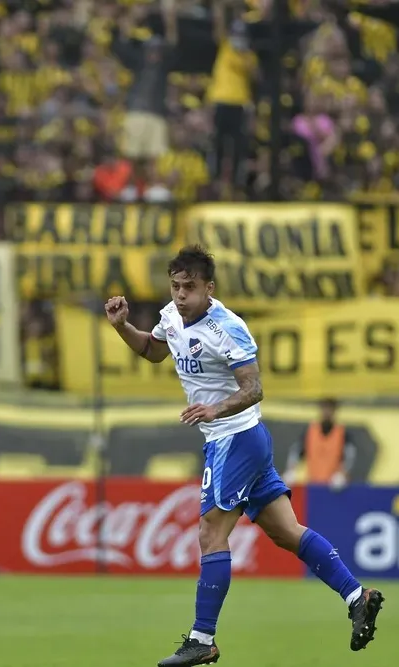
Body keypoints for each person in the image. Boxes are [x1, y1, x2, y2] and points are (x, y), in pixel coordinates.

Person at [105, 245, 384, 667]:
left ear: (209, 288)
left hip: (235, 437)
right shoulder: (170, 315)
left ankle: (202, 638)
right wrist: (122, 326)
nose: (181, 295)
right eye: (176, 286)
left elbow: (254, 388)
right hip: (232, 440)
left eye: (190, 287)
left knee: (210, 532)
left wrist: (216, 408)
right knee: (286, 532)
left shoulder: (227, 328)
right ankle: (356, 597)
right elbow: (152, 350)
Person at [283, 398, 356, 489]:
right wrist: (291, 471)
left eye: (330, 408)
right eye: (324, 408)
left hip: (334, 485)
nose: (327, 412)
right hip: (313, 484)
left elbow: (349, 457)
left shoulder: (342, 433)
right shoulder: (310, 431)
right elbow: (297, 451)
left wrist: (343, 475)